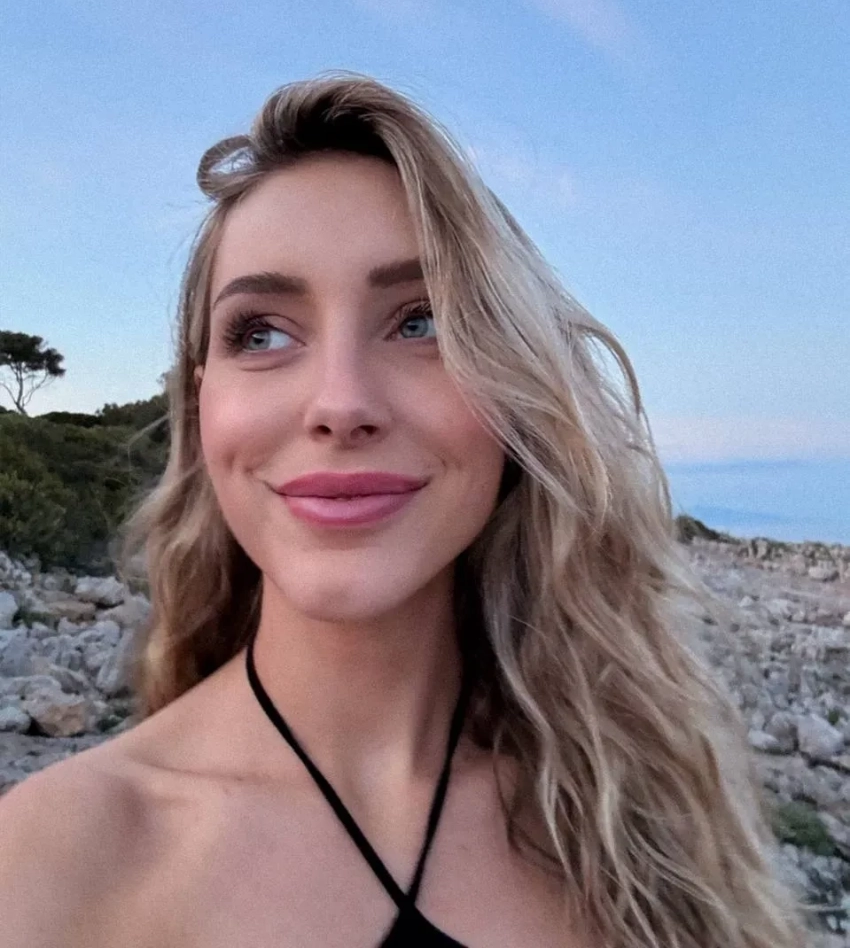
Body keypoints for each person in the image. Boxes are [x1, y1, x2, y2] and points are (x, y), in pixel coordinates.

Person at [0, 76, 808, 947]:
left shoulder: (639, 822)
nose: (340, 404)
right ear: (203, 405)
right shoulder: (53, 866)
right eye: (261, 333)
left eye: (422, 322)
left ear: (516, 387)